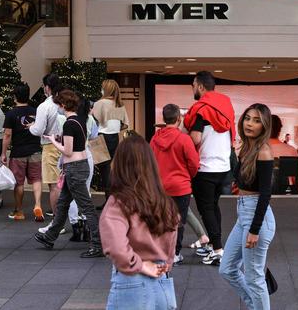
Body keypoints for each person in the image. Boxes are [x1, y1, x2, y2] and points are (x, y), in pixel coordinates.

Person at [100, 134, 179, 310]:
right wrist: (166, 263)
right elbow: (172, 240)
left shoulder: (119, 203)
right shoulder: (164, 202)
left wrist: (140, 264)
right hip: (162, 283)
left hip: (132, 282)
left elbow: (116, 247)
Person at [33, 90, 103, 258]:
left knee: (86, 207)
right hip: (79, 166)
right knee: (63, 204)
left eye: (58, 104)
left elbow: (68, 151)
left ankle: (97, 244)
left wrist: (53, 141)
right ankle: (50, 237)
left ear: (63, 105)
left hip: (74, 168)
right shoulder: (79, 120)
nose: (57, 107)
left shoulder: (69, 124)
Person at [219, 103, 276, 309]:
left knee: (254, 278)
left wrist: (254, 229)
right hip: (243, 213)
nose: (250, 124)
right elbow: (236, 178)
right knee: (226, 268)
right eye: (248, 118)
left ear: (265, 125)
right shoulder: (246, 148)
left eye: (257, 120)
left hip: (256, 218)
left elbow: (266, 194)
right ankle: (256, 306)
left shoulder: (264, 151)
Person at [183, 71, 235, 265]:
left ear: (201, 87)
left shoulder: (201, 109)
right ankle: (216, 246)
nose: (193, 89)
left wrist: (180, 139)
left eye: (193, 85)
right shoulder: (226, 106)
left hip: (205, 167)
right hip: (223, 165)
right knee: (213, 207)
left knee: (206, 209)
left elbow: (195, 138)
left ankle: (219, 250)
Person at [150, 104, 200, 265]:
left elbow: (149, 162)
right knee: (179, 222)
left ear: (164, 119)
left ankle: (161, 251)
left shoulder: (155, 138)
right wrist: (187, 177)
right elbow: (194, 163)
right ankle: (175, 253)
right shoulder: (184, 139)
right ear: (179, 119)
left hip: (160, 187)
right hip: (180, 187)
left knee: (161, 220)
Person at [0, 84, 43, 221]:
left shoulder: (11, 114)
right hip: (36, 150)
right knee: (36, 179)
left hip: (18, 152)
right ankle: (38, 205)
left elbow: (7, 135)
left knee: (19, 183)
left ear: (14, 97)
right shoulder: (36, 111)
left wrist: (3, 153)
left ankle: (19, 211)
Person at [28, 73, 61, 224]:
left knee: (54, 185)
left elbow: (38, 130)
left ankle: (57, 221)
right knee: (69, 185)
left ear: (47, 87)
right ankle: (74, 219)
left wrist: (31, 127)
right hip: (69, 145)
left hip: (50, 145)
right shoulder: (66, 102)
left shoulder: (45, 106)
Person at [92, 79, 129, 207]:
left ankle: (109, 201)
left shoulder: (100, 103)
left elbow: (93, 119)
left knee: (104, 171)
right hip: (114, 138)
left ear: (105, 89)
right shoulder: (119, 104)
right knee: (108, 169)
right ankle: (110, 199)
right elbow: (124, 124)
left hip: (102, 138)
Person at [67, 97, 99, 242]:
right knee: (86, 192)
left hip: (73, 156)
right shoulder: (90, 120)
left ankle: (75, 226)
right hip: (88, 155)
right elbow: (94, 137)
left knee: (71, 193)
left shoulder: (69, 121)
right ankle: (87, 226)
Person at [269, 115, 298, 193]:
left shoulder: (255, 150)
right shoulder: (291, 150)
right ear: (279, 130)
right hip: (286, 196)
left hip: (259, 198)